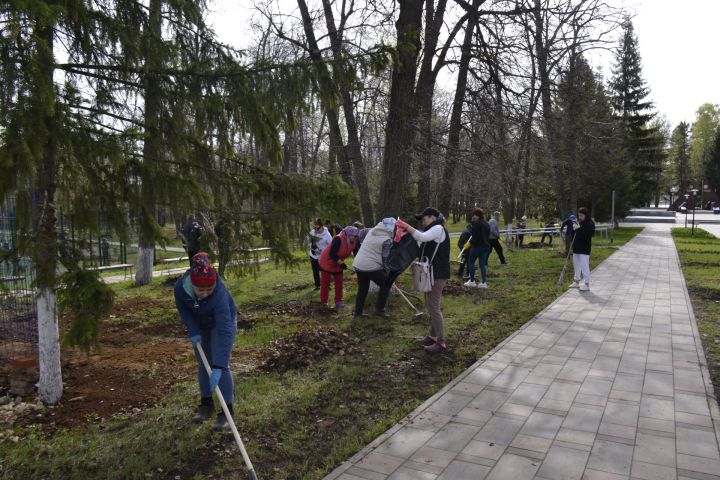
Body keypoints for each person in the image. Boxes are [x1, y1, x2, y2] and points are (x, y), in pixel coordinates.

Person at [174, 252, 237, 431]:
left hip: (220, 324)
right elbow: (184, 311)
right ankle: (206, 404)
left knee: (220, 366)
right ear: (191, 284)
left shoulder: (219, 294)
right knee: (204, 363)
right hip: (201, 324)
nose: (205, 293)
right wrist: (193, 331)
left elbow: (225, 331)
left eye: (209, 289)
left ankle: (226, 413)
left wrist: (219, 364)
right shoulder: (180, 288)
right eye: (200, 290)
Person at [396, 207, 451, 353]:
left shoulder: (438, 228)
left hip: (438, 274)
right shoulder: (432, 230)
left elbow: (421, 237)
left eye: (424, 219)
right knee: (429, 304)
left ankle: (441, 342)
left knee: (433, 307)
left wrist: (407, 226)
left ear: (432, 217)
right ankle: (432, 336)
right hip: (431, 273)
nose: (423, 222)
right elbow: (420, 242)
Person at [352, 218, 396, 319]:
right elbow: (385, 258)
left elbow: (361, 232)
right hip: (371, 266)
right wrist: (388, 271)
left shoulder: (372, 230)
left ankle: (357, 314)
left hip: (359, 264)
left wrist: (364, 242)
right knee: (385, 285)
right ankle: (379, 309)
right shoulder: (387, 239)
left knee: (362, 289)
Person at [318, 225, 359, 308]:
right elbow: (332, 254)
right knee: (325, 283)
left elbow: (357, 254)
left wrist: (359, 265)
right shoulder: (338, 239)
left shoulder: (354, 241)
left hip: (338, 262)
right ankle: (323, 302)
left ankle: (339, 301)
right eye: (355, 236)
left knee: (339, 282)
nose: (356, 238)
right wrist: (342, 263)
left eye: (357, 236)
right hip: (327, 261)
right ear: (349, 235)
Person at [569, 207, 595, 291]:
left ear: (585, 215)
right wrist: (573, 228)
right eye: (579, 215)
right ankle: (576, 282)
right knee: (576, 265)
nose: (580, 217)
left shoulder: (590, 224)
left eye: (581, 215)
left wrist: (578, 229)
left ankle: (586, 284)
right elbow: (574, 235)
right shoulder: (578, 222)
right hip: (576, 248)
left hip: (584, 248)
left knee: (584, 265)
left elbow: (587, 235)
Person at [464, 209, 491, 288]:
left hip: (477, 247)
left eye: (474, 215)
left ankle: (472, 281)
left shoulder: (477, 224)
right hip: (486, 246)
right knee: (482, 264)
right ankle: (484, 283)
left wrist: (469, 243)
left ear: (477, 215)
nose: (473, 217)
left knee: (471, 262)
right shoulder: (486, 223)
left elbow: (474, 236)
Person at [307, 219, 332, 290]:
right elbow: (307, 240)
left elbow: (331, 246)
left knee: (324, 271)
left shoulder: (327, 235)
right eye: (315, 228)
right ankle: (317, 285)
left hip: (323, 256)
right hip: (313, 255)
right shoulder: (313, 232)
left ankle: (327, 285)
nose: (316, 230)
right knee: (315, 270)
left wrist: (325, 253)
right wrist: (309, 245)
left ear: (322, 226)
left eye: (318, 228)